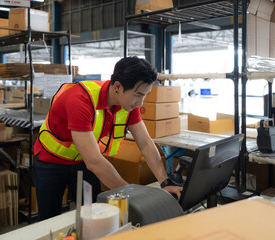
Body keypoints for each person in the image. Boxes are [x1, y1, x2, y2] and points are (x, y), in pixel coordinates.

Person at [33, 56, 183, 221]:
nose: (141, 103)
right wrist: (132, 194)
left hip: (82, 160)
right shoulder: (81, 100)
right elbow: (95, 161)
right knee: (49, 219)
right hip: (51, 161)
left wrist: (164, 182)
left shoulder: (128, 104)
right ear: (118, 86)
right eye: (138, 95)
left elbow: (146, 143)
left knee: (94, 215)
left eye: (145, 95)